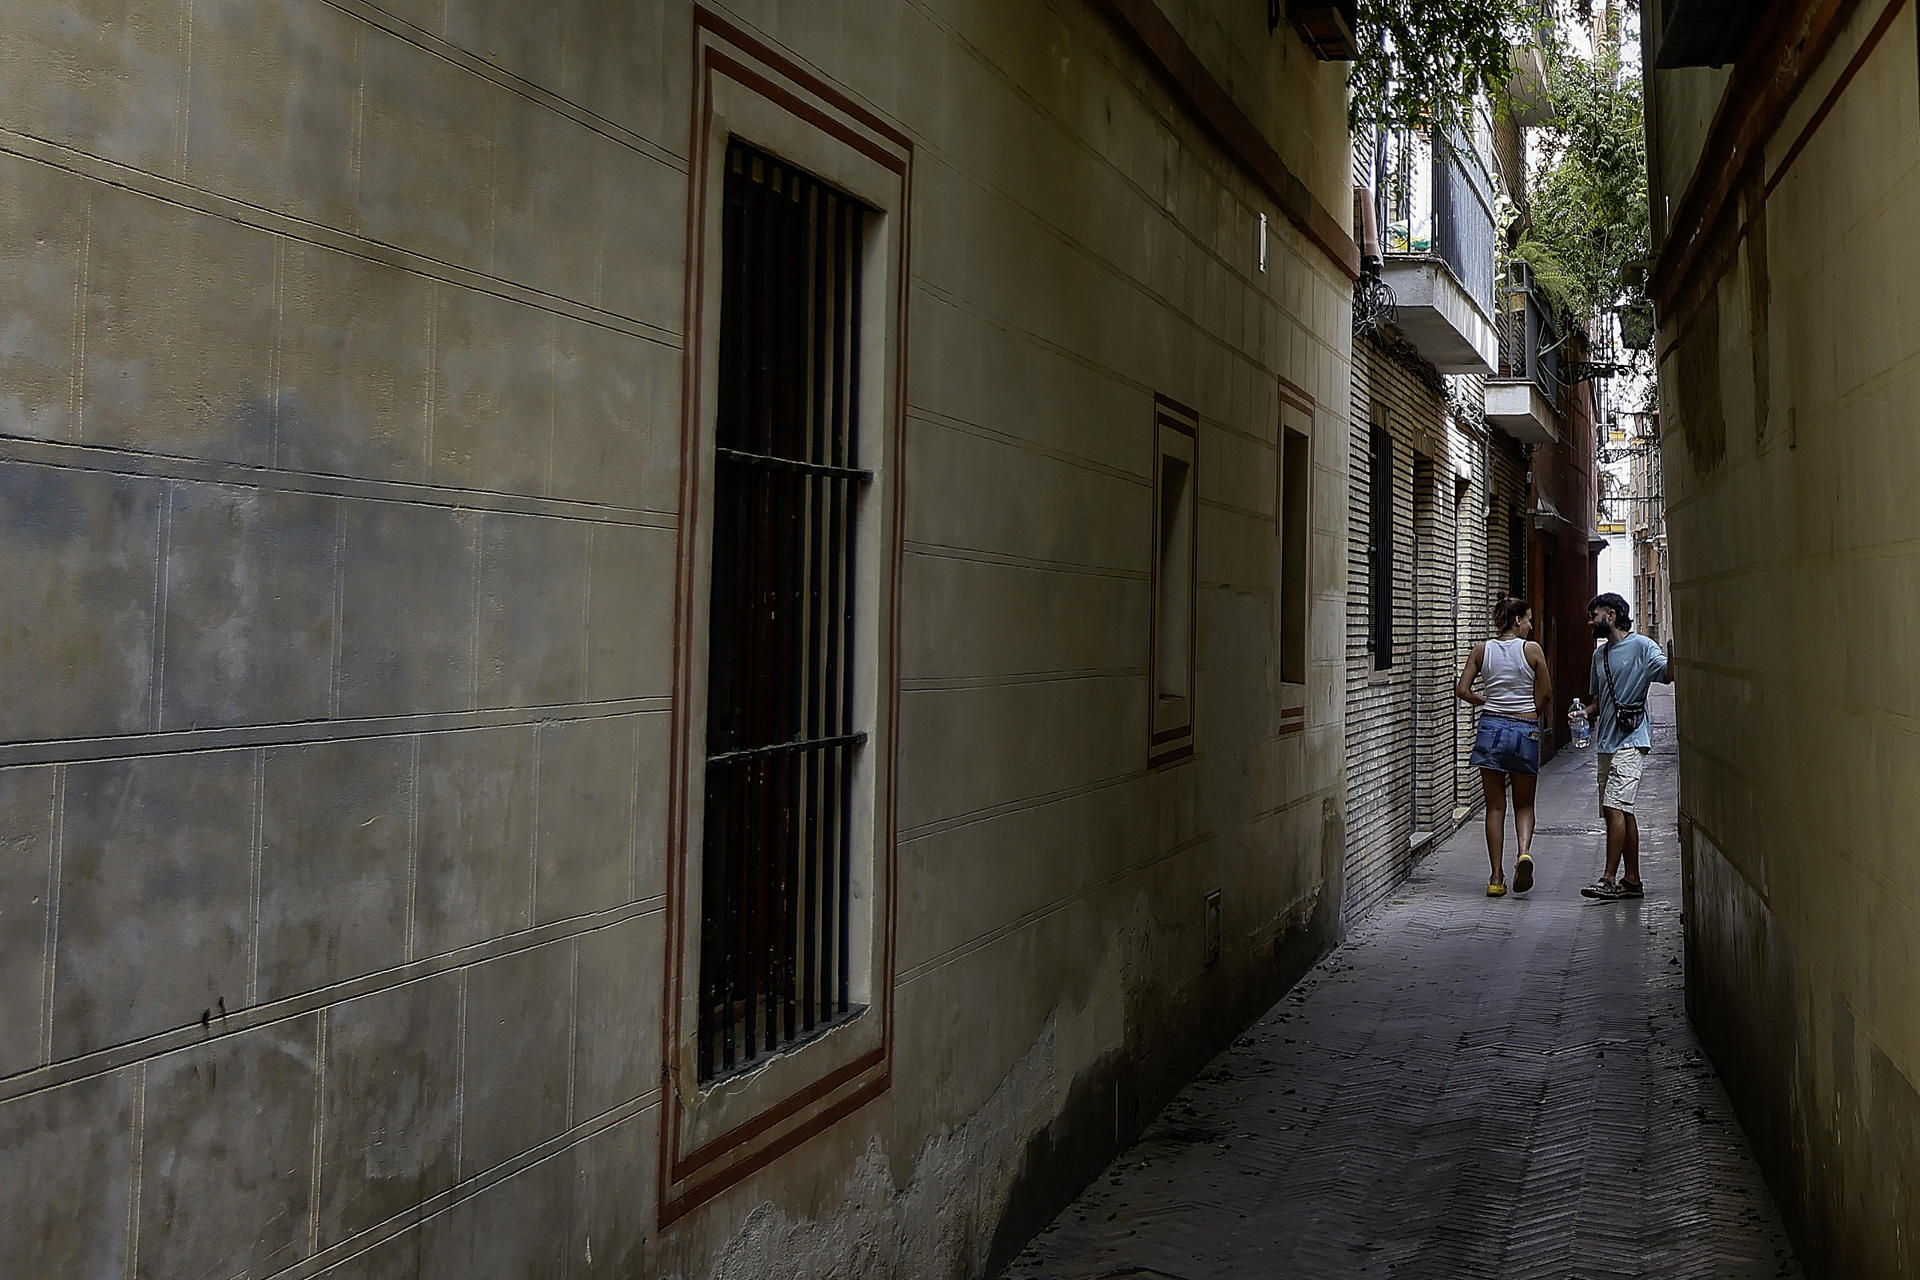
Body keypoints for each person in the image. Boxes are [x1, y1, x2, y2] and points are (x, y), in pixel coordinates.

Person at [1455, 597, 1552, 897]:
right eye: (1529, 619)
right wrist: (1531, 713)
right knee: (1524, 803)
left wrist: (1484, 701)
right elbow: (1546, 692)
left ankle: (1496, 877)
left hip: (1491, 727)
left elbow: (1462, 690)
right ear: (1518, 621)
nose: (1531, 625)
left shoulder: (1482, 650)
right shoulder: (1532, 649)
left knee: (1495, 806)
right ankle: (1523, 852)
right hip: (1524, 730)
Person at [1577, 593, 1672, 901]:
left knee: (1613, 805)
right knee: (1622, 810)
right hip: (1606, 742)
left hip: (1633, 740)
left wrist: (1676, 655)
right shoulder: (1599, 656)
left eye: (1595, 615)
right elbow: (1598, 702)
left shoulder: (1643, 647)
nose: (1591, 621)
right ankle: (1632, 880)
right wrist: (1584, 714)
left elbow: (1667, 674)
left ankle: (1608, 878)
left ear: (1613, 615)